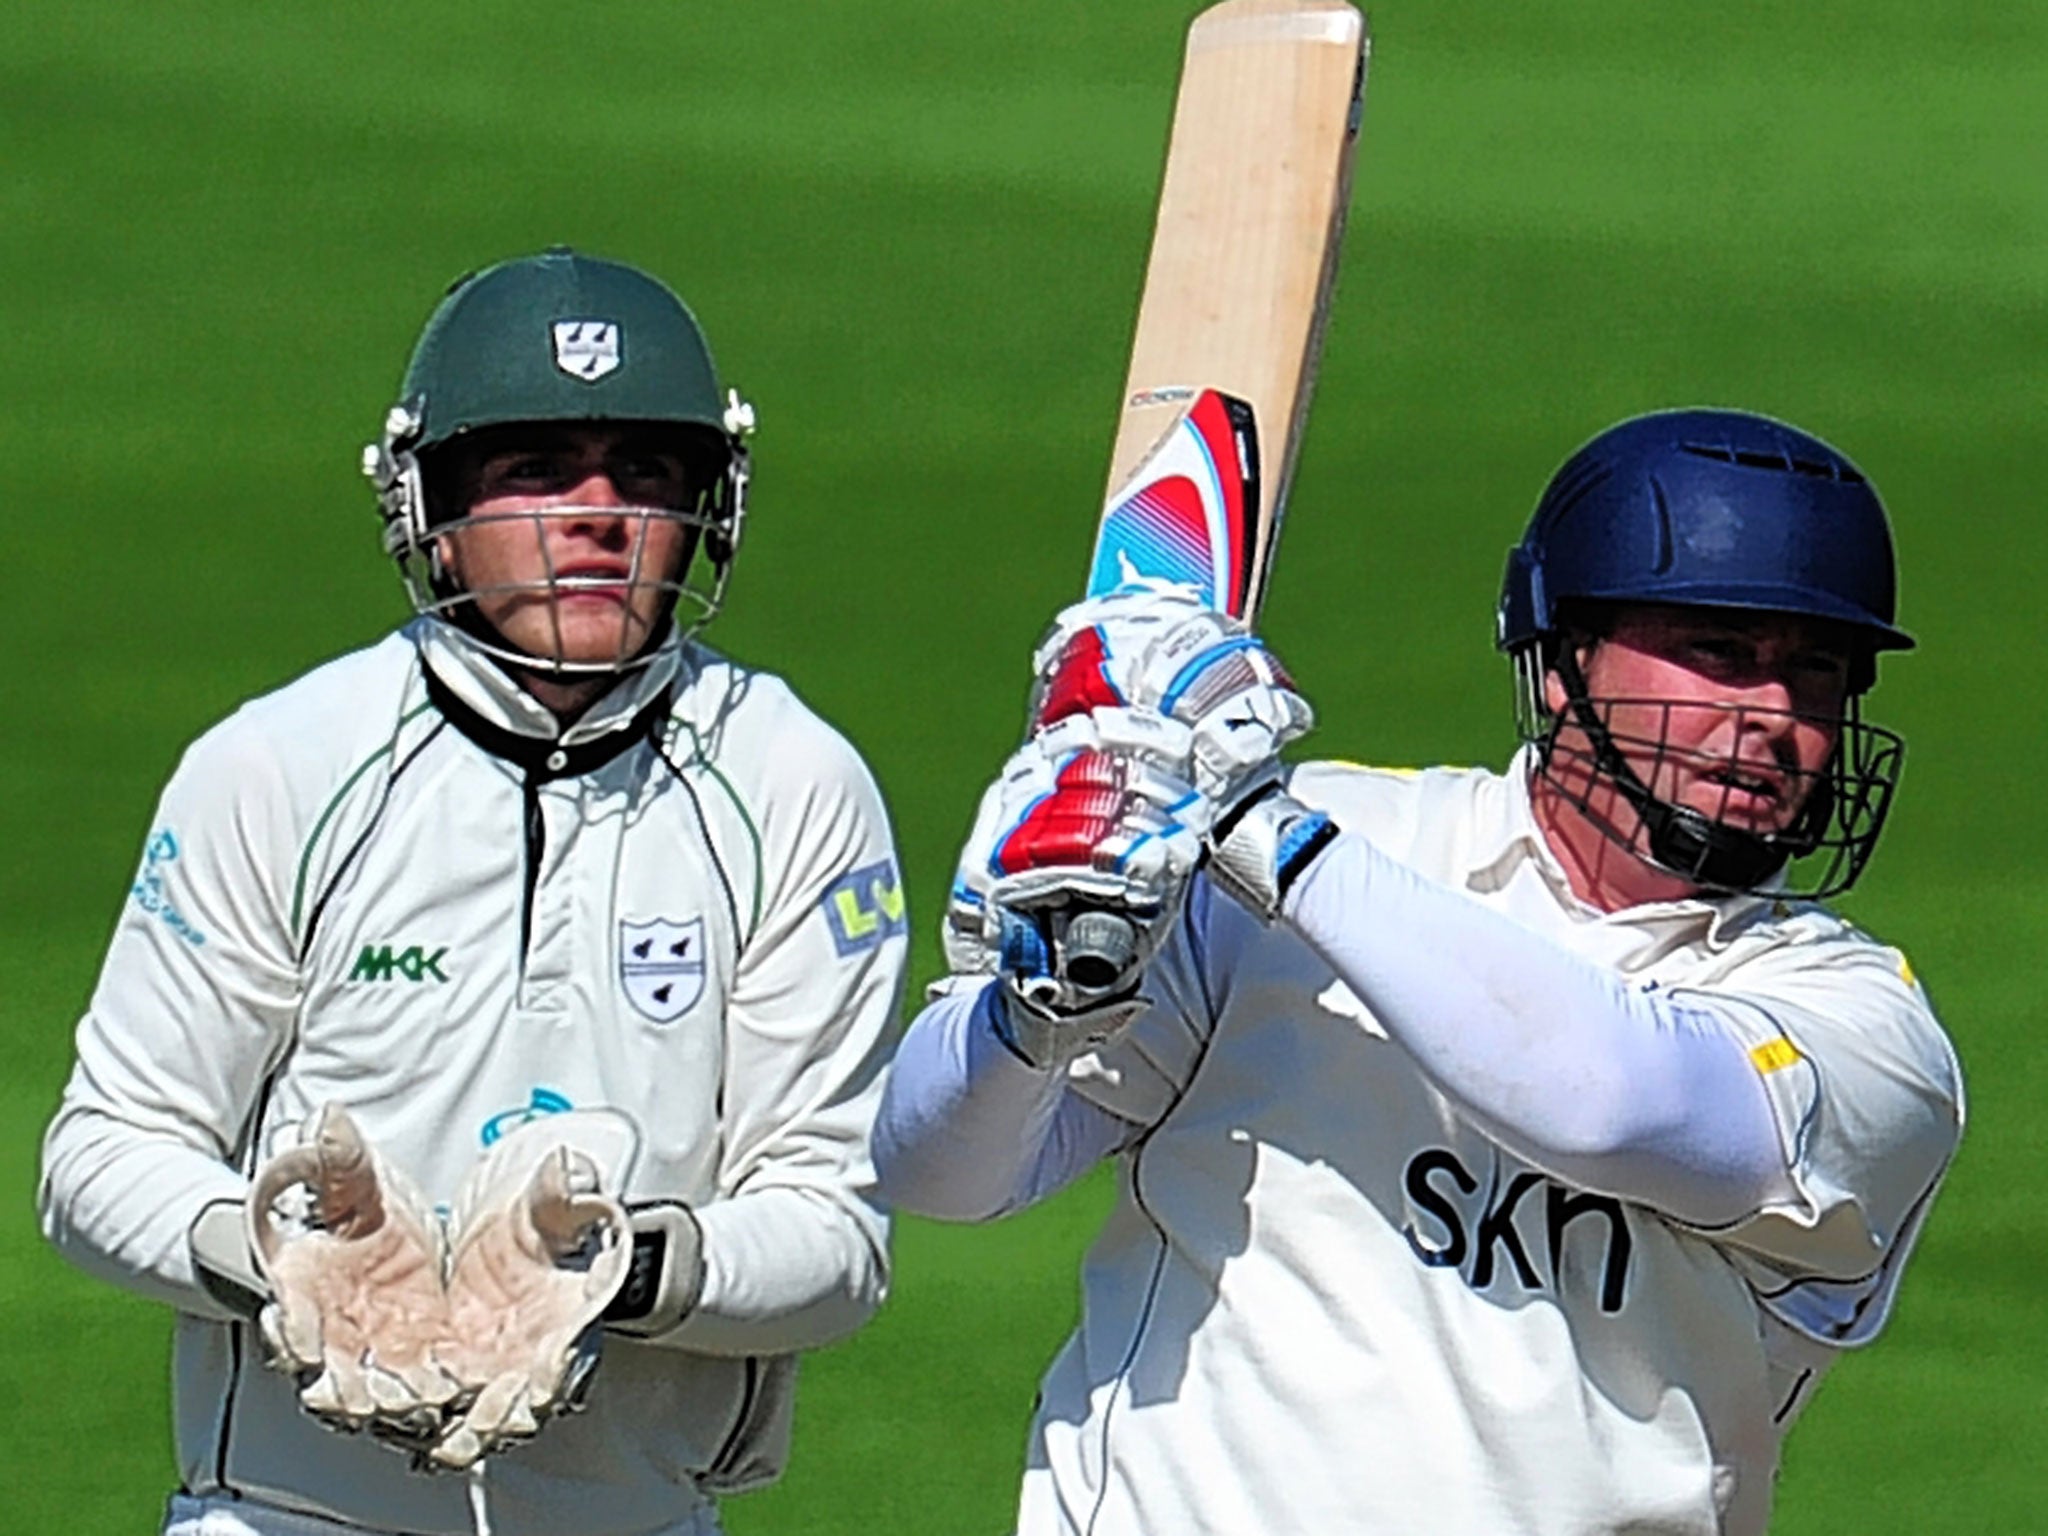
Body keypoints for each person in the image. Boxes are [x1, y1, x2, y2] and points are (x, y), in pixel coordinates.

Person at [874, 408, 1964, 1535]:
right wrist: (1034, 1013)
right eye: (1720, 656)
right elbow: (939, 1177)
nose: (1774, 718)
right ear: (1562, 664)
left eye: (1815, 673)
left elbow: (1605, 1099)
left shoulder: (1863, 1031)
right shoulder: (1344, 848)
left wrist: (1243, 816)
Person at [39, 248, 908, 1536]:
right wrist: (281, 1259)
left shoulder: (790, 784)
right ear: (426, 506)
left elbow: (836, 1237)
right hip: (283, 1518)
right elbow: (98, 1158)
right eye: (532, 471)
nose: (596, 515)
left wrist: (625, 1270)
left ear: (706, 508)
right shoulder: (283, 765)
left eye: (646, 474)